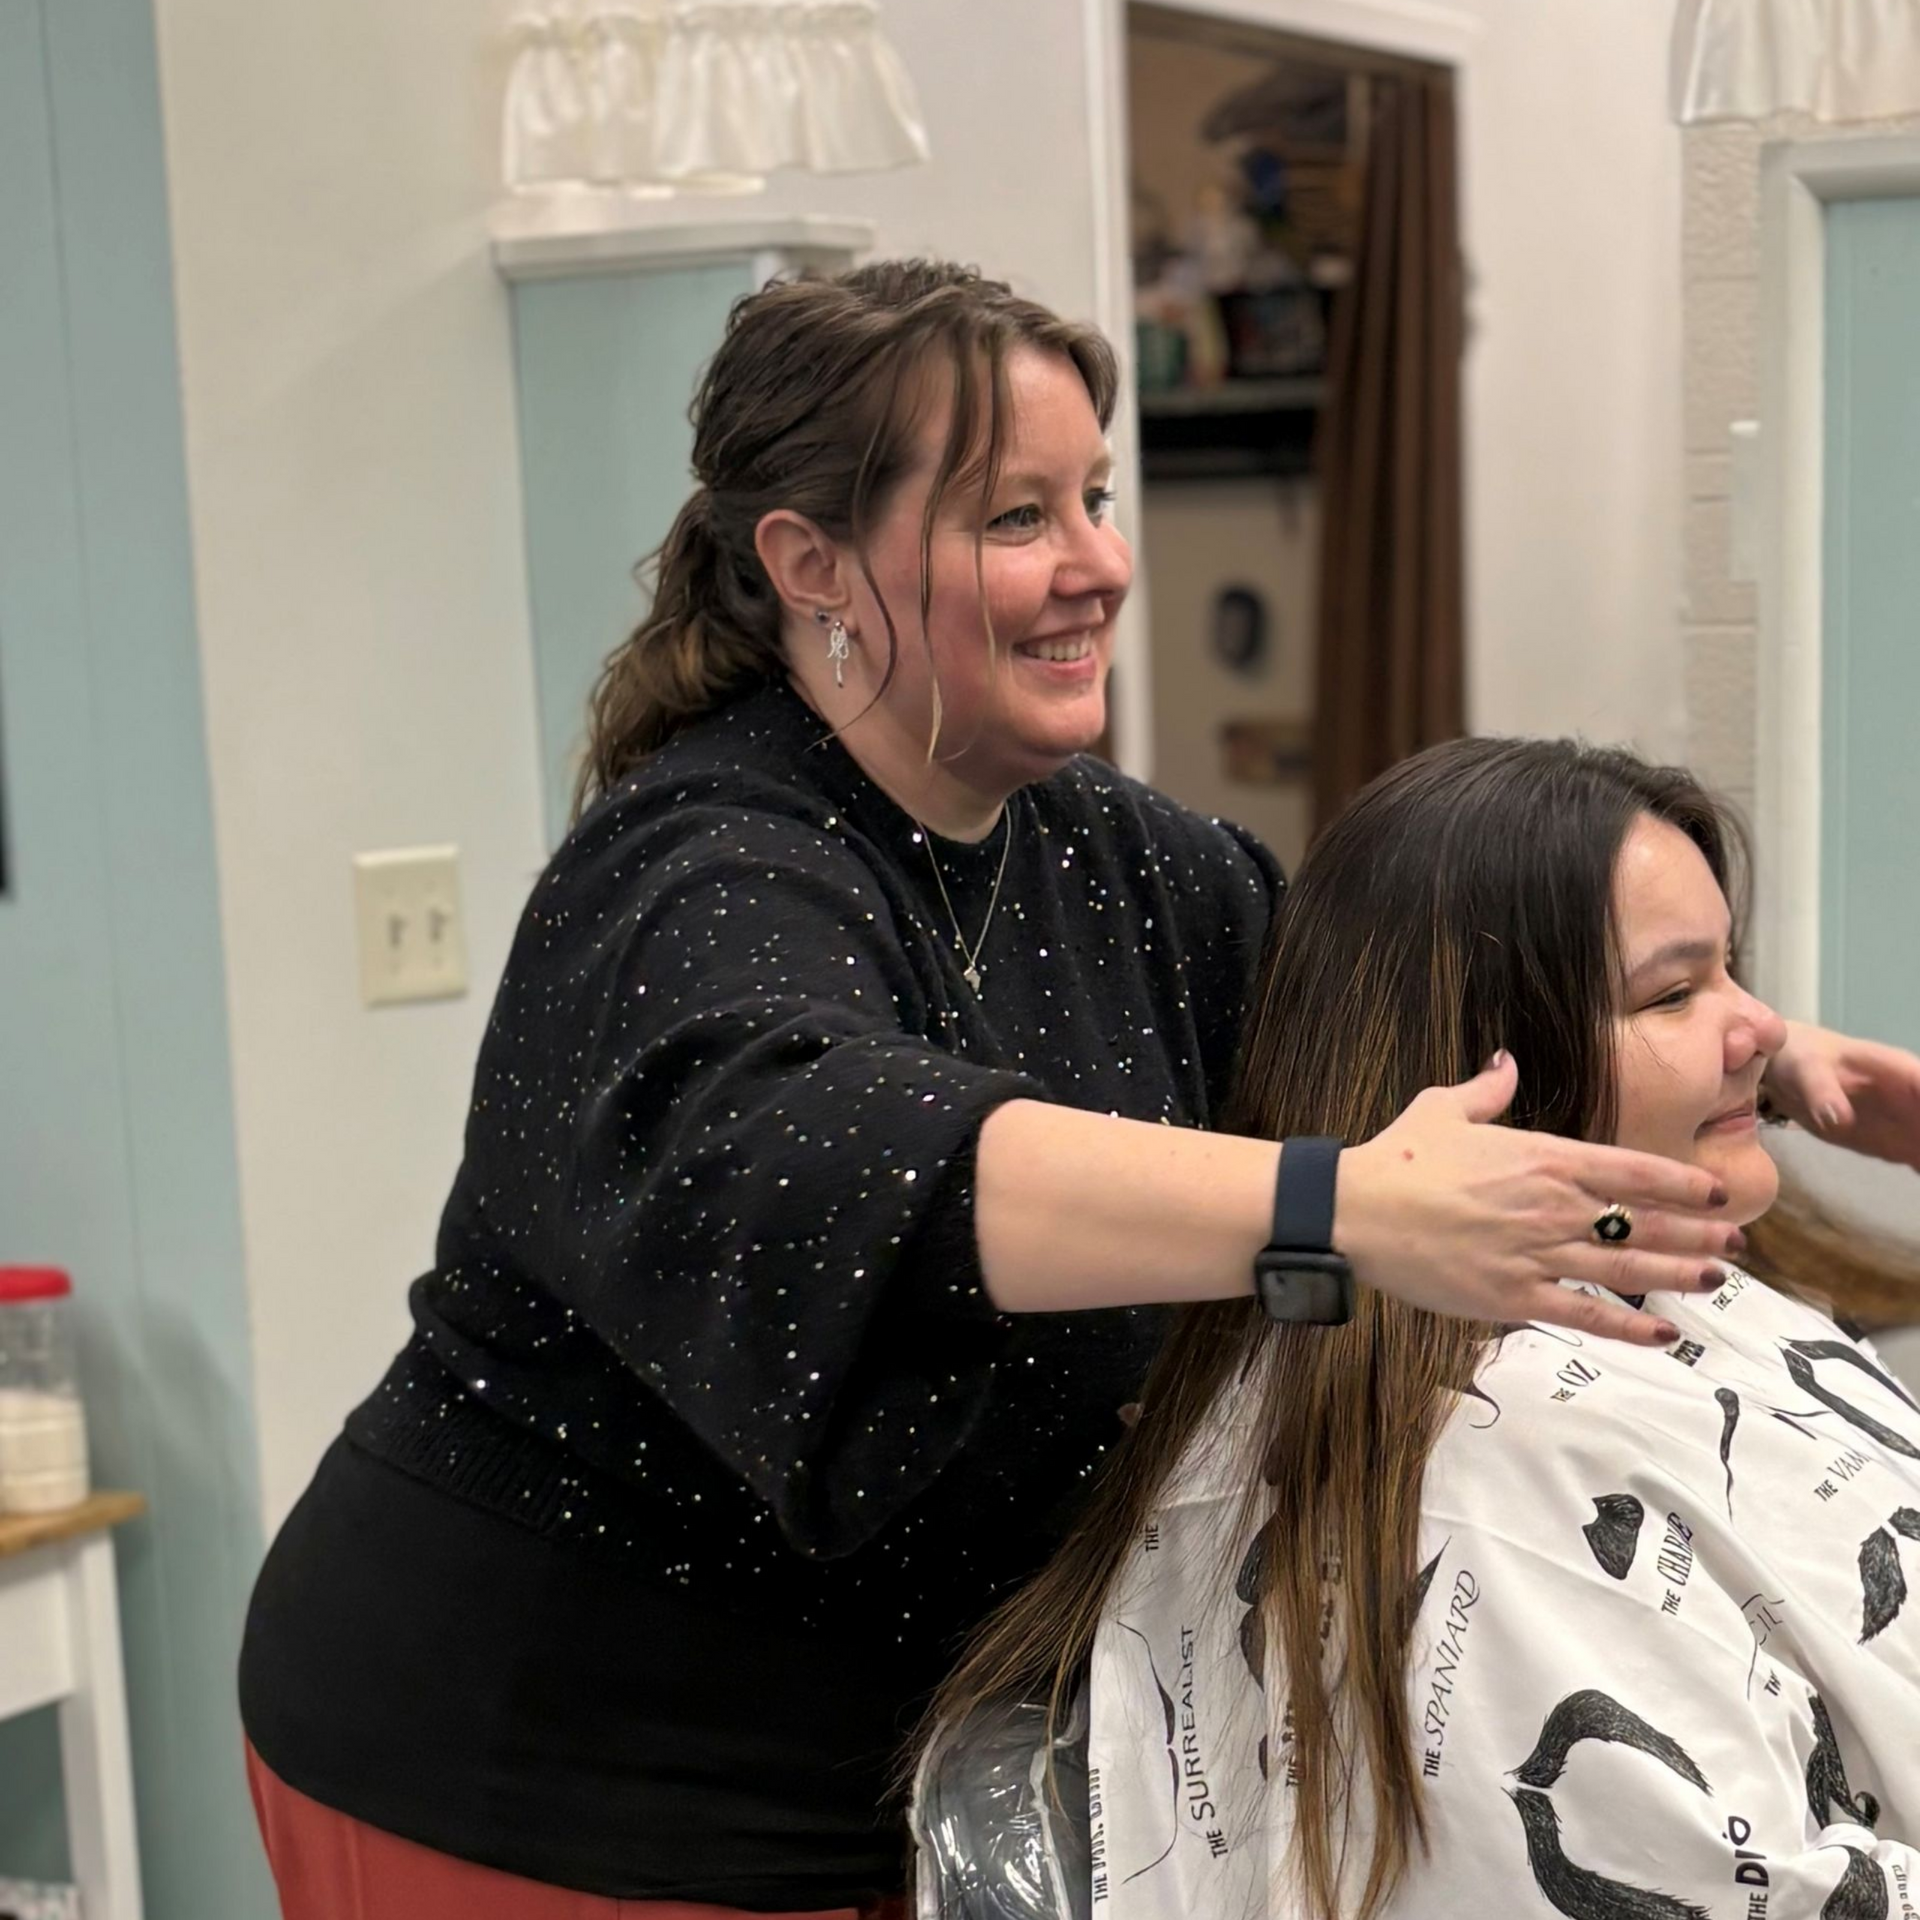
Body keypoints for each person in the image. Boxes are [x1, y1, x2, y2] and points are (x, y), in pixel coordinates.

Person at [237, 260, 1920, 1918]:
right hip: (545, 1771)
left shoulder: (1127, 863)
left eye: (1096, 500)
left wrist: (1737, 1054)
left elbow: (1407, 1034)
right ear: (811, 564)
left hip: (911, 1764)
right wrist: (1330, 1209)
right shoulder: (695, 880)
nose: (1103, 564)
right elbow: (852, 1168)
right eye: (1015, 517)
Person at [914, 737, 1920, 1920]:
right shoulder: (1492, 1472)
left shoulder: (1689, 1301)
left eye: (1732, 969)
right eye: (1673, 993)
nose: (1764, 1028)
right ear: (1495, 1074)